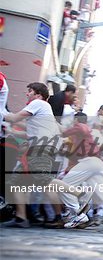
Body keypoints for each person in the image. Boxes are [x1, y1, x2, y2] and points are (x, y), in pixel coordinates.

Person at [1, 82, 74, 228]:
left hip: (41, 148)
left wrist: (2, 111)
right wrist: (11, 132)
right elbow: (29, 130)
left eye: (29, 91)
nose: (26, 94)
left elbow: (14, 118)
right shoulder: (43, 110)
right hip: (39, 148)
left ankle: (79, 193)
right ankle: (21, 218)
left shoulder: (38, 103)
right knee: (16, 183)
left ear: (38, 95)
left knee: (44, 180)